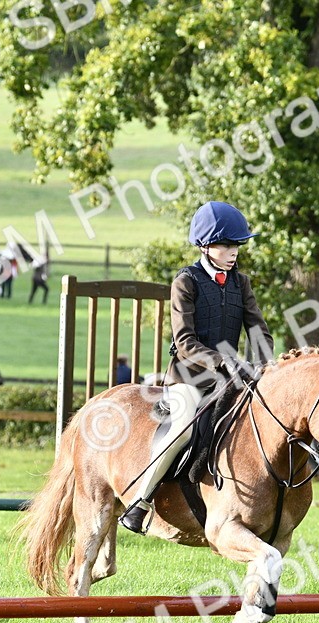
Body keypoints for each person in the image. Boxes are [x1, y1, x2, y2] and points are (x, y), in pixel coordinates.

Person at [119, 201, 274, 534]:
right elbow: (185, 341)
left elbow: (258, 328)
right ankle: (141, 501)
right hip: (189, 379)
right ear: (206, 245)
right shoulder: (186, 282)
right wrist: (225, 360)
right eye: (226, 245)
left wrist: (262, 362)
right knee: (181, 428)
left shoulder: (240, 283)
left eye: (237, 245)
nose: (234, 252)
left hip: (230, 381)